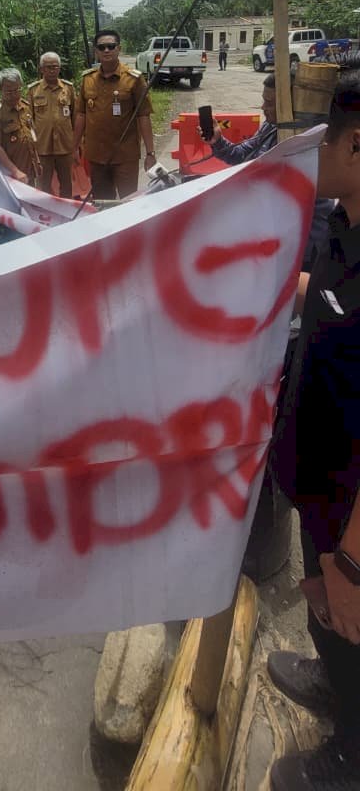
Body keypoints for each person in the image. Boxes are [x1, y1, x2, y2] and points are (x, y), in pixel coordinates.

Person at [267, 74, 360, 790]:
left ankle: (350, 757)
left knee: (351, 619)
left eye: (323, 137)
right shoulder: (343, 225)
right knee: (328, 619)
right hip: (321, 494)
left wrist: (352, 564)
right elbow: (325, 298)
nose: (313, 153)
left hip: (354, 522)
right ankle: (337, 688)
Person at [204, 73, 333, 270]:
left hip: (305, 246)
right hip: (273, 237)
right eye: (264, 100)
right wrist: (217, 141)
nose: (263, 107)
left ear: (288, 105)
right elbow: (242, 154)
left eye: (270, 103)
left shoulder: (308, 139)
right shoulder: (270, 127)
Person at [73, 29, 156, 200]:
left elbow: (143, 116)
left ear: (119, 48)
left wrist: (150, 153)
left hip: (125, 156)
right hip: (96, 156)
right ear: (96, 51)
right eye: (101, 47)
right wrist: (74, 147)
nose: (106, 50)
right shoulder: (88, 80)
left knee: (128, 201)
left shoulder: (134, 79)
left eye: (111, 46)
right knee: (103, 203)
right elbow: (81, 115)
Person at [27, 52, 75, 197]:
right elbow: (29, 121)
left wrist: (77, 144)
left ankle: (67, 208)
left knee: (67, 184)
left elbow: (75, 116)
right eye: (48, 67)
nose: (52, 70)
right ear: (42, 69)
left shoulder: (68, 88)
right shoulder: (34, 90)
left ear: (59, 68)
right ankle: (45, 210)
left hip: (64, 146)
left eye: (55, 66)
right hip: (43, 147)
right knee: (44, 186)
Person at [0, 68, 40, 185]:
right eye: (9, 92)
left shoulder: (25, 107)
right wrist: (15, 171)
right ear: (0, 89)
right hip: (11, 173)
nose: (14, 95)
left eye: (17, 90)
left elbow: (32, 132)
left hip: (30, 167)